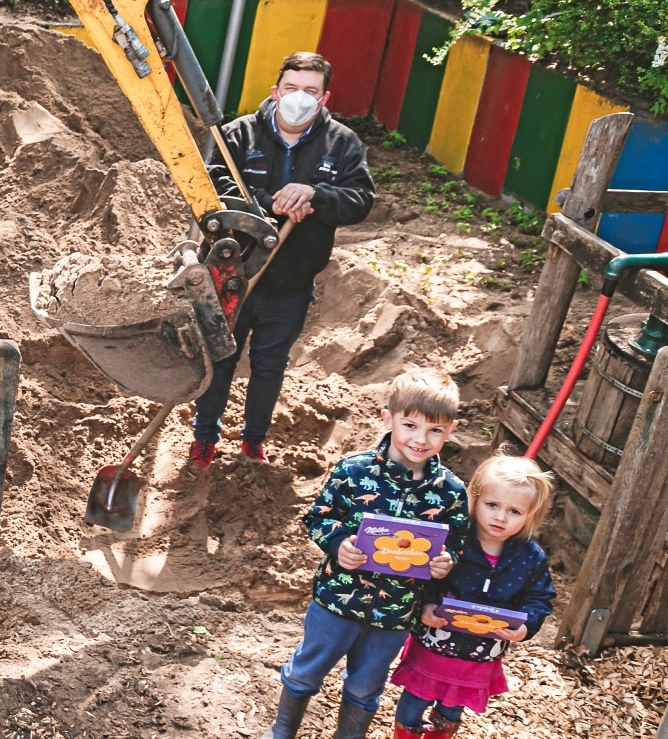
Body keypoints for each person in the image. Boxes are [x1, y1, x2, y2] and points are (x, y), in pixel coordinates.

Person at [261, 370, 470, 739]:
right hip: (336, 600)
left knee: (365, 685)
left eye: (435, 430)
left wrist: (447, 560)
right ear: (388, 419)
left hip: (395, 612)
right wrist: (338, 543)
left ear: (450, 430)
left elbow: (458, 540)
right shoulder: (354, 470)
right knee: (306, 671)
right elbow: (318, 517)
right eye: (410, 425)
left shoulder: (451, 491)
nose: (421, 440)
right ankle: (282, 730)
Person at [191, 51, 376, 467]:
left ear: (324, 98)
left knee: (270, 365)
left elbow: (361, 200)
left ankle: (253, 440)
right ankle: (205, 437)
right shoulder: (238, 135)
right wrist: (267, 204)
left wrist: (316, 195)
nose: (299, 98)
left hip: (291, 281)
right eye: (291, 88)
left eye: (310, 91)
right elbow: (210, 188)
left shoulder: (342, 144)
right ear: (276, 91)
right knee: (219, 358)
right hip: (232, 273)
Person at [389, 454, 556, 738]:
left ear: (531, 515)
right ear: (474, 500)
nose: (501, 517)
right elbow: (426, 577)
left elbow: (539, 598)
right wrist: (426, 605)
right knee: (414, 699)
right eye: (492, 505)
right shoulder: (456, 541)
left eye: (515, 511)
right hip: (433, 646)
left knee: (453, 709)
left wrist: (526, 626)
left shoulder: (530, 556)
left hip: (480, 655)